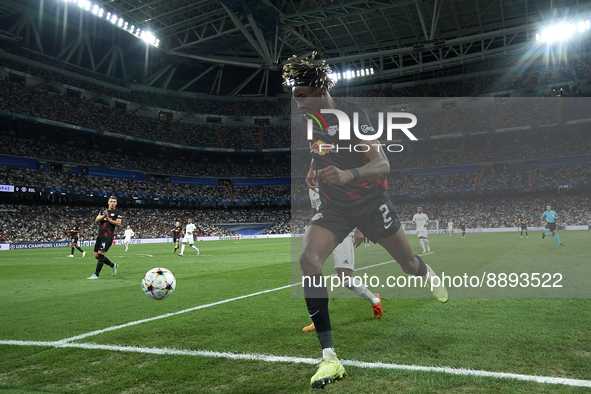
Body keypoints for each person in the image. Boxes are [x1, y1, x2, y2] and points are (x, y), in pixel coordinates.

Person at [283, 52, 448, 390]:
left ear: (317, 88)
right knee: (308, 260)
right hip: (335, 208)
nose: (296, 103)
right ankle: (329, 356)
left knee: (407, 263)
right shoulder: (311, 120)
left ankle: (425, 271)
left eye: (300, 96)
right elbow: (320, 150)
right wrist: (313, 170)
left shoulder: (352, 116)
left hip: (371, 204)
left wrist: (350, 173)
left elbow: (382, 164)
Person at [302, 188, 382, 333]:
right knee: (310, 273)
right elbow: (315, 211)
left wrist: (360, 228)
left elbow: (357, 205)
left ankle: (374, 301)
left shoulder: (338, 180)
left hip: (341, 233)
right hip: (321, 235)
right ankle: (317, 320)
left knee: (346, 280)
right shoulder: (312, 188)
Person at [87, 196, 122, 279]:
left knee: (101, 253)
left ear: (116, 203)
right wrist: (104, 216)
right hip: (100, 236)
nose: (112, 203)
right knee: (96, 256)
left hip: (108, 236)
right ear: (108, 202)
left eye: (114, 201)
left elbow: (118, 223)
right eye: (111, 201)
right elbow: (96, 220)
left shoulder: (118, 212)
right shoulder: (103, 211)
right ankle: (113, 265)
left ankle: (96, 274)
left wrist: (108, 218)